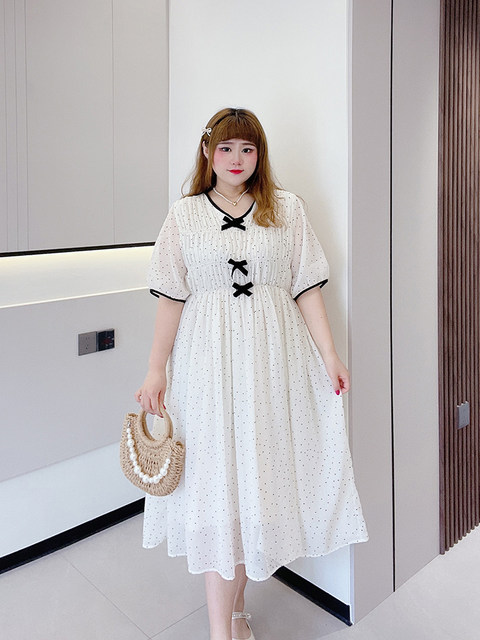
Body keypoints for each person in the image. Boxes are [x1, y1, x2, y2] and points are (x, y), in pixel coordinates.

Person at [135, 107, 369, 640]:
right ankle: (222, 632)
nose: (236, 159)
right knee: (219, 491)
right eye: (225, 148)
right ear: (207, 152)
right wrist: (154, 369)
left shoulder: (286, 208)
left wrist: (330, 355)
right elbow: (171, 297)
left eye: (247, 148)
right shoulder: (185, 215)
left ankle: (237, 612)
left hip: (273, 365)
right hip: (208, 365)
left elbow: (306, 287)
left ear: (259, 154)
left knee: (256, 489)